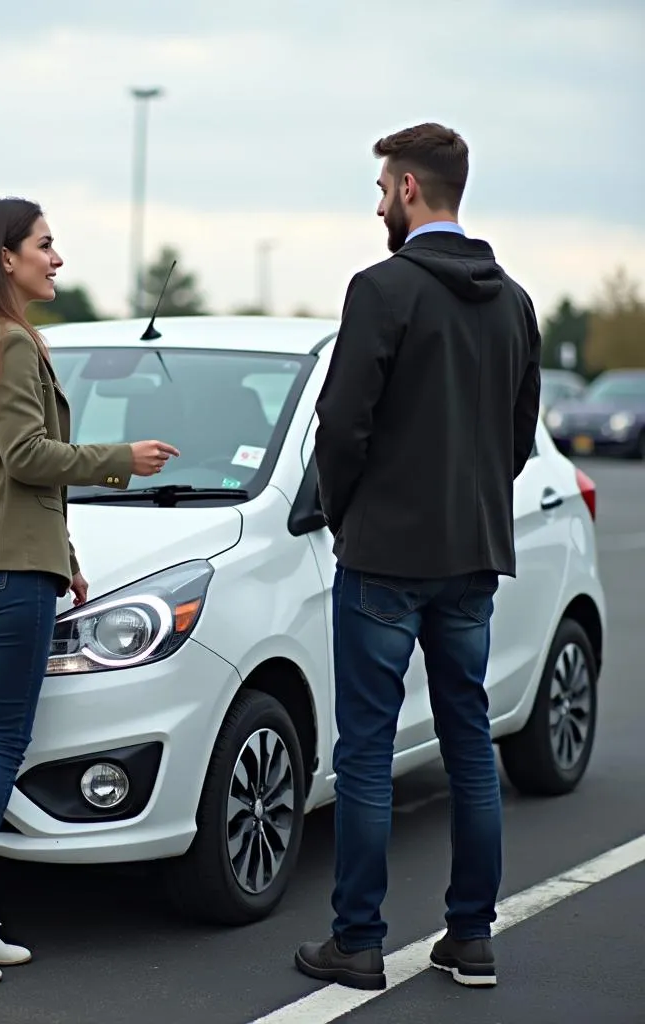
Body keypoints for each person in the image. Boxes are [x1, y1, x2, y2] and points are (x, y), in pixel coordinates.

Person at [293, 124, 541, 992]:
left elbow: (341, 427)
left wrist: (344, 511)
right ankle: (472, 937)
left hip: (385, 558)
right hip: (472, 555)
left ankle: (356, 942)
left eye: (381, 190)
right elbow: (516, 441)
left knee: (365, 748)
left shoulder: (382, 289)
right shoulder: (513, 302)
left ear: (406, 189)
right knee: (469, 740)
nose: (376, 206)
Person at [0, 197, 180, 987]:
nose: (56, 259)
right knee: (0, 747)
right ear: (5, 257)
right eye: (44, 244)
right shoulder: (9, 344)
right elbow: (28, 455)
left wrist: (60, 549)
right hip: (4, 576)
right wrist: (119, 458)